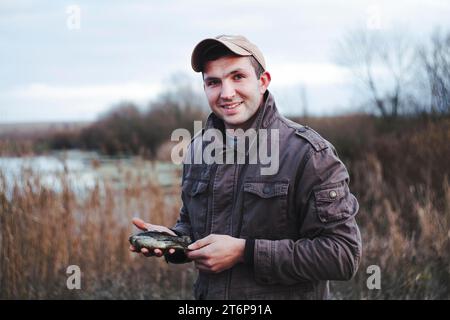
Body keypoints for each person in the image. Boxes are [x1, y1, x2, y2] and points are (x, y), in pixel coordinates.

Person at [130, 35, 362, 299]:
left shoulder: (309, 154)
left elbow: (342, 255)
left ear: (263, 82)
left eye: (237, 77)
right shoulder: (197, 149)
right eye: (214, 82)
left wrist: (245, 252)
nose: (226, 93)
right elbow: (193, 226)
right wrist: (174, 240)